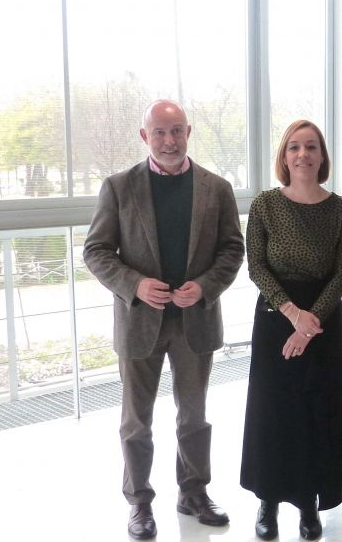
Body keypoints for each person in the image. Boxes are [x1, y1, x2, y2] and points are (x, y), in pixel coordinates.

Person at [83, 99, 244, 540]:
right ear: (145, 136)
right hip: (140, 322)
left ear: (188, 132)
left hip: (195, 321)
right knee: (137, 420)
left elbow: (233, 249)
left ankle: (193, 492)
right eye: (159, 132)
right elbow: (96, 250)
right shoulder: (119, 187)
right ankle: (139, 501)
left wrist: (205, 286)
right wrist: (134, 285)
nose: (169, 141)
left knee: (194, 416)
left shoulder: (216, 188)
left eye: (176, 131)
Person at [239, 119, 342, 541]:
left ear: (322, 156)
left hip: (323, 321)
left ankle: (309, 502)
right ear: (284, 155)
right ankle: (268, 500)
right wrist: (293, 315)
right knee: (273, 412)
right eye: (294, 147)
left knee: (315, 411)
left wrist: (310, 324)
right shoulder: (266, 204)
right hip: (276, 316)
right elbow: (257, 266)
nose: (303, 154)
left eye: (311, 147)